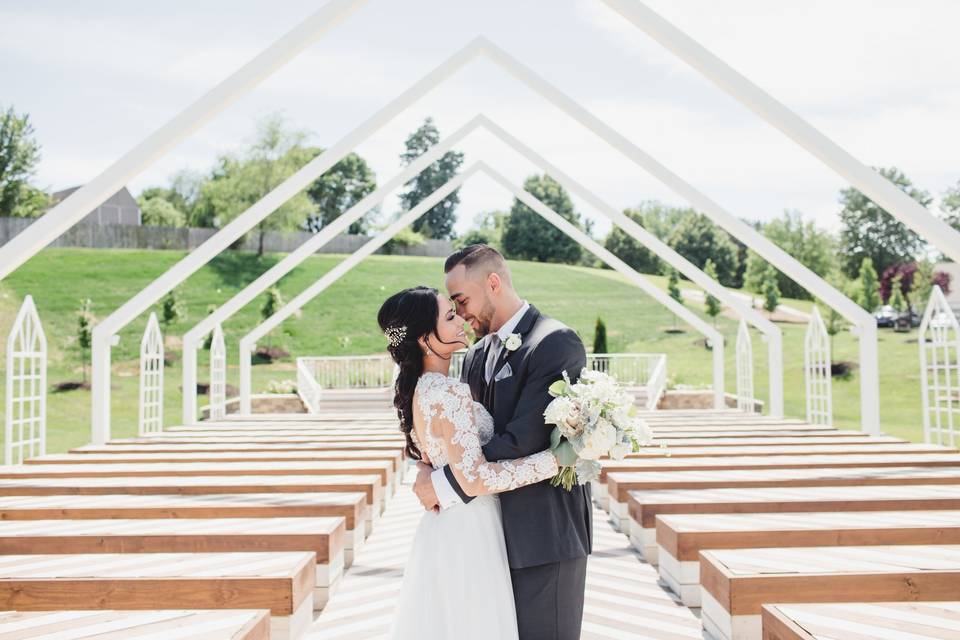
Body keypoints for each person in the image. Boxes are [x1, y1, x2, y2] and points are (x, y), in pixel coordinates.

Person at [393, 244, 593, 639]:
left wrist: (442, 482)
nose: (461, 314)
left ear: (494, 283)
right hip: (485, 540)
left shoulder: (554, 342)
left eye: (462, 301)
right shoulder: (474, 354)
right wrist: (430, 465)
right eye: (451, 308)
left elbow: (523, 440)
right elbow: (458, 437)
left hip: (542, 536)